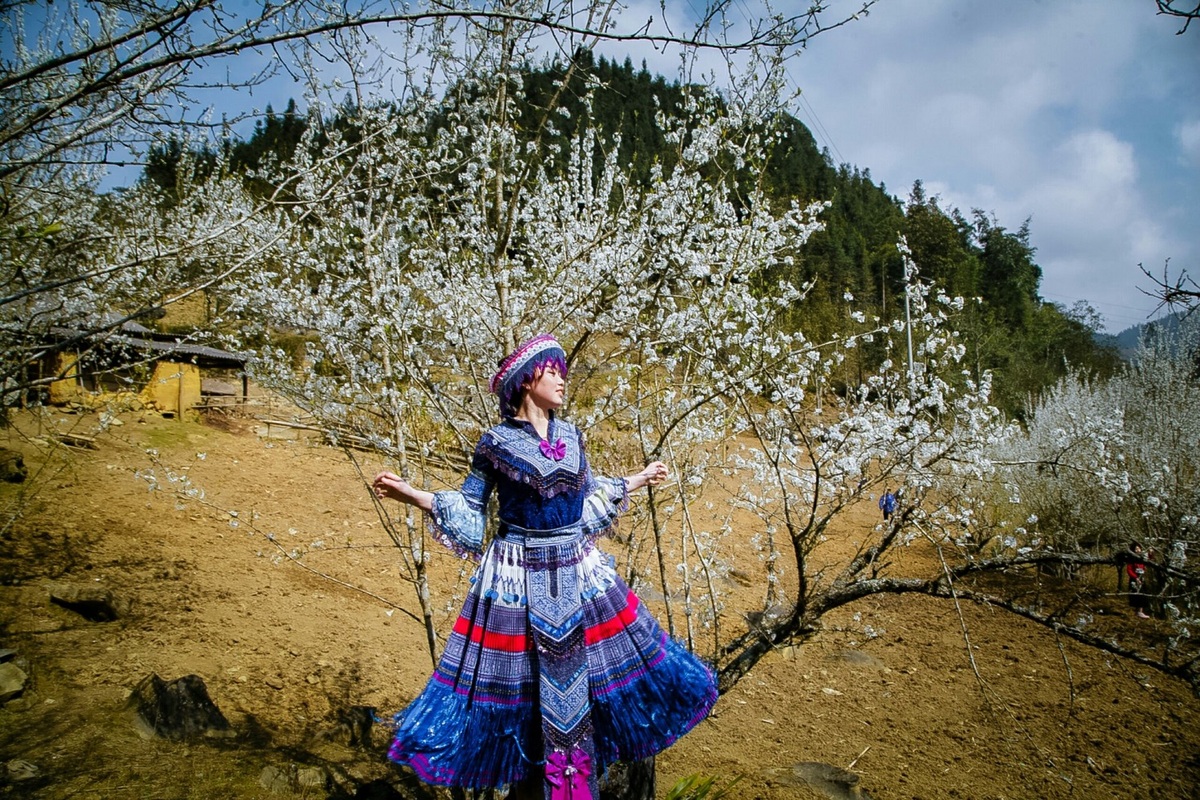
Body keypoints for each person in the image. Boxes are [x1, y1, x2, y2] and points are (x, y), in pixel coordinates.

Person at [373, 334, 717, 799]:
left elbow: (588, 501)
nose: (561, 380)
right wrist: (413, 495)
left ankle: (575, 784)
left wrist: (638, 479)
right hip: (517, 577)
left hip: (578, 573)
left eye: (561, 372)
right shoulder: (495, 443)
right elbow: (472, 513)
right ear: (526, 379)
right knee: (528, 693)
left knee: (589, 688)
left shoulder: (573, 436)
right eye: (552, 371)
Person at [1127, 541, 1151, 619]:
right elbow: (1129, 570)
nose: (1138, 550)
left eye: (1139, 548)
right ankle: (1138, 612)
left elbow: (1150, 559)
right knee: (1137, 594)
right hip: (1135, 578)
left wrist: (1151, 552)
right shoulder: (1132, 559)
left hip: (1141, 577)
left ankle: (1140, 611)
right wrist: (1135, 578)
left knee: (1142, 594)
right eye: (1136, 549)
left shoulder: (1142, 558)